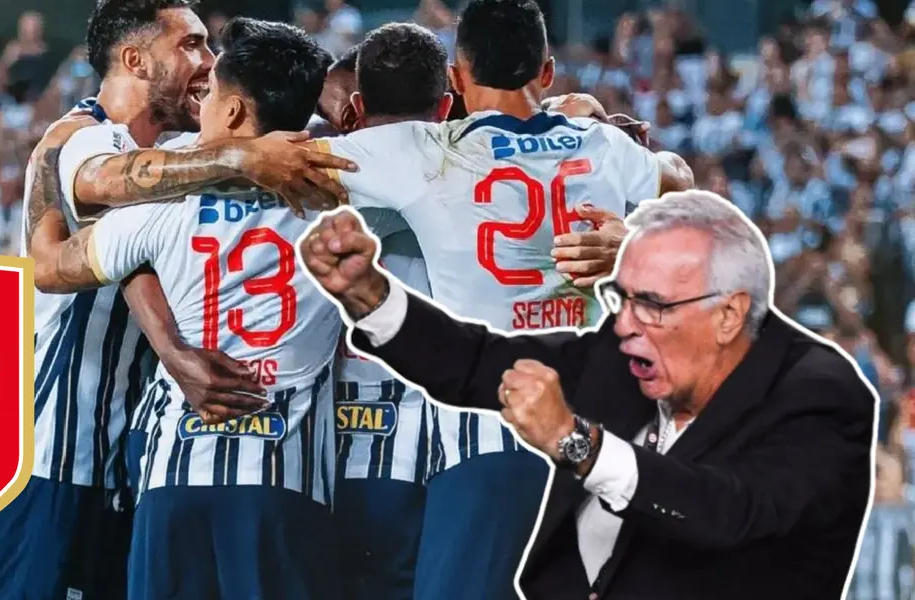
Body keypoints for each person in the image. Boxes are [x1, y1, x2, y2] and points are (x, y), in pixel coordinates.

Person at [300, 190, 877, 599]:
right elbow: (482, 363)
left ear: (729, 314)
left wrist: (577, 443)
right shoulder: (625, 357)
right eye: (620, 297)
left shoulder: (819, 397)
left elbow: (726, 511)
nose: (623, 323)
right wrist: (372, 298)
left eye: (651, 304)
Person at [0, 0, 351, 597]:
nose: (208, 61)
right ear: (135, 59)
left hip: (136, 458)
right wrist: (244, 156)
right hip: (53, 457)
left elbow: (142, 250)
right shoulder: (78, 136)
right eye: (191, 45)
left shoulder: (187, 150)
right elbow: (107, 186)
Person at [306, 0, 692, 596]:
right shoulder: (606, 149)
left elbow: (286, 159)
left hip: (490, 442)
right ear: (545, 70)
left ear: (457, 80)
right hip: (595, 445)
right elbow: (679, 179)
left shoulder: (426, 151)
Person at [315, 24, 446, 600]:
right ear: (445, 104)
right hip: (426, 436)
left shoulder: (306, 165)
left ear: (358, 105)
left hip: (315, 438)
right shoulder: (475, 166)